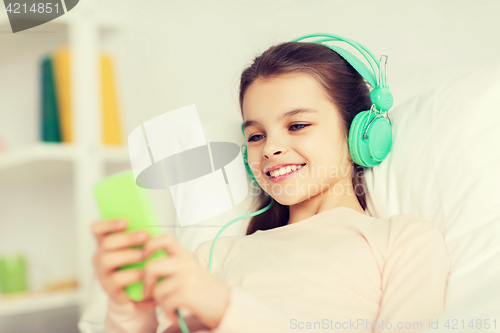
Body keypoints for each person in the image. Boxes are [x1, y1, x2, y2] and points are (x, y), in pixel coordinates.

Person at [92, 41, 451, 333]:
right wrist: (130, 311)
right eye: (256, 135)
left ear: (361, 134)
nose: (270, 148)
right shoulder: (213, 256)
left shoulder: (401, 240)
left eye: (297, 125)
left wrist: (226, 308)